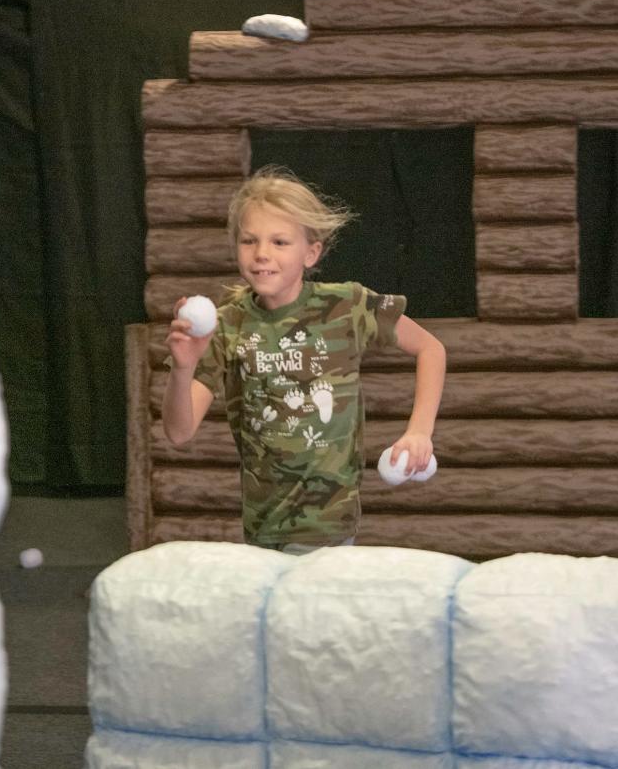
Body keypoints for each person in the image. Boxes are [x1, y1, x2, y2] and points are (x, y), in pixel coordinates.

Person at [162, 166, 446, 554]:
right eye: (249, 241)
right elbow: (179, 432)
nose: (262, 253)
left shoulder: (345, 305)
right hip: (262, 526)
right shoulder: (227, 324)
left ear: (310, 252)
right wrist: (183, 368)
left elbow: (431, 349)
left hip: (326, 524)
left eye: (279, 242)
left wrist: (419, 431)